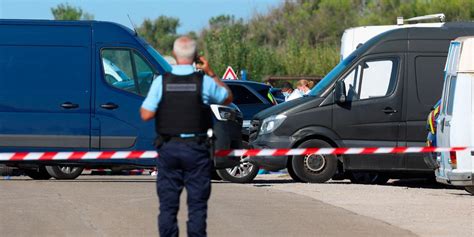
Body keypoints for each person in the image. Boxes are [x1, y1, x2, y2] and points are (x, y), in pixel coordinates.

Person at [140, 36, 233, 237]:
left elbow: (146, 114)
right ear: (196, 57)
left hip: (169, 148)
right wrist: (211, 73)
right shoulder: (205, 83)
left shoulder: (161, 82)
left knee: (167, 206)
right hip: (196, 149)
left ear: (174, 55)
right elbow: (228, 97)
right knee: (197, 207)